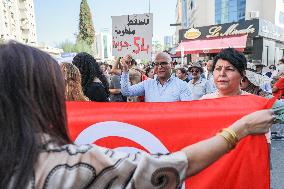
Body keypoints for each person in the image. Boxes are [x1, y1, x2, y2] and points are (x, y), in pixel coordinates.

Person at [0, 41, 276, 188]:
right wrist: (124, 67)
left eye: (163, 63)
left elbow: (187, 120)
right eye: (218, 69)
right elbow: (130, 90)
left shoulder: (188, 90)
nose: (222, 74)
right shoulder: (71, 165)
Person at [120, 52, 192, 102]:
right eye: (156, 64)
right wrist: (125, 70)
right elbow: (126, 92)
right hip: (150, 123)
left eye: (163, 63)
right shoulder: (147, 84)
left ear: (172, 65)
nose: (160, 67)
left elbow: (186, 110)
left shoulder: (182, 85)